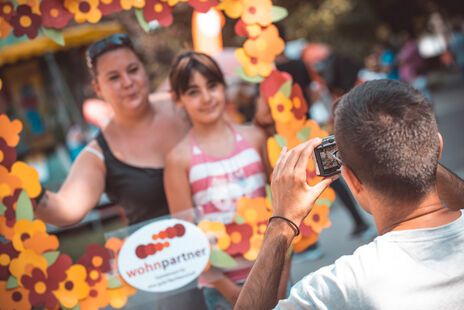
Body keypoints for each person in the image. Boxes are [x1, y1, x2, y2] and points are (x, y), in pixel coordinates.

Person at [234, 79, 464, 310]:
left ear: (352, 181)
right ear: (439, 147)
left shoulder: (339, 287)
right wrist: (421, 156)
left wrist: (282, 224)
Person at [164, 51, 290, 310]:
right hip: (223, 293)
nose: (207, 97)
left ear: (224, 87)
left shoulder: (255, 138)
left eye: (212, 85)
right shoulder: (179, 159)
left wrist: (280, 280)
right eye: (193, 91)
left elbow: (284, 210)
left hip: (275, 276)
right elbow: (187, 241)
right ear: (178, 99)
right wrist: (233, 294)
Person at [34, 34, 190, 227]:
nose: (127, 82)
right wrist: (21, 186)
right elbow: (65, 210)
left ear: (144, 69)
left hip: (221, 241)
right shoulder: (97, 155)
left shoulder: (187, 108)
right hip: (157, 252)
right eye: (113, 77)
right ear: (97, 88)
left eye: (133, 70)